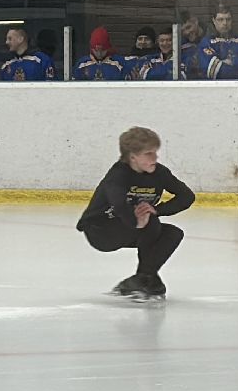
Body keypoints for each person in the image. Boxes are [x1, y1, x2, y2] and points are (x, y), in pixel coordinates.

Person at [76, 126, 195, 300]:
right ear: (132, 157)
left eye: (155, 152)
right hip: (100, 230)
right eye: (148, 154)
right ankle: (144, 279)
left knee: (173, 233)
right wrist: (136, 222)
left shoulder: (159, 173)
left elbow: (186, 197)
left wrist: (157, 209)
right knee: (151, 224)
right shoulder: (118, 175)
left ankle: (142, 278)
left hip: (132, 226)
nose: (155, 158)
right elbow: (118, 203)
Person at [204, 6, 238, 79]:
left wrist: (232, 61)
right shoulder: (207, 43)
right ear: (214, 21)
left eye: (228, 19)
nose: (225, 23)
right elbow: (213, 72)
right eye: (220, 19)